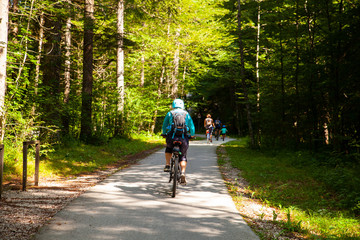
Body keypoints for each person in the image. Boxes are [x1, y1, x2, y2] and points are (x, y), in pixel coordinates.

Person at [161, 99, 195, 184]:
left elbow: (164, 125)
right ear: (182, 105)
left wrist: (164, 133)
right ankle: (183, 173)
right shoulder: (186, 114)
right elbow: (192, 126)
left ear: (173, 105)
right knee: (183, 156)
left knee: (168, 149)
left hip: (171, 137)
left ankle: (168, 165)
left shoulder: (170, 113)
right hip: (183, 138)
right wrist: (192, 135)